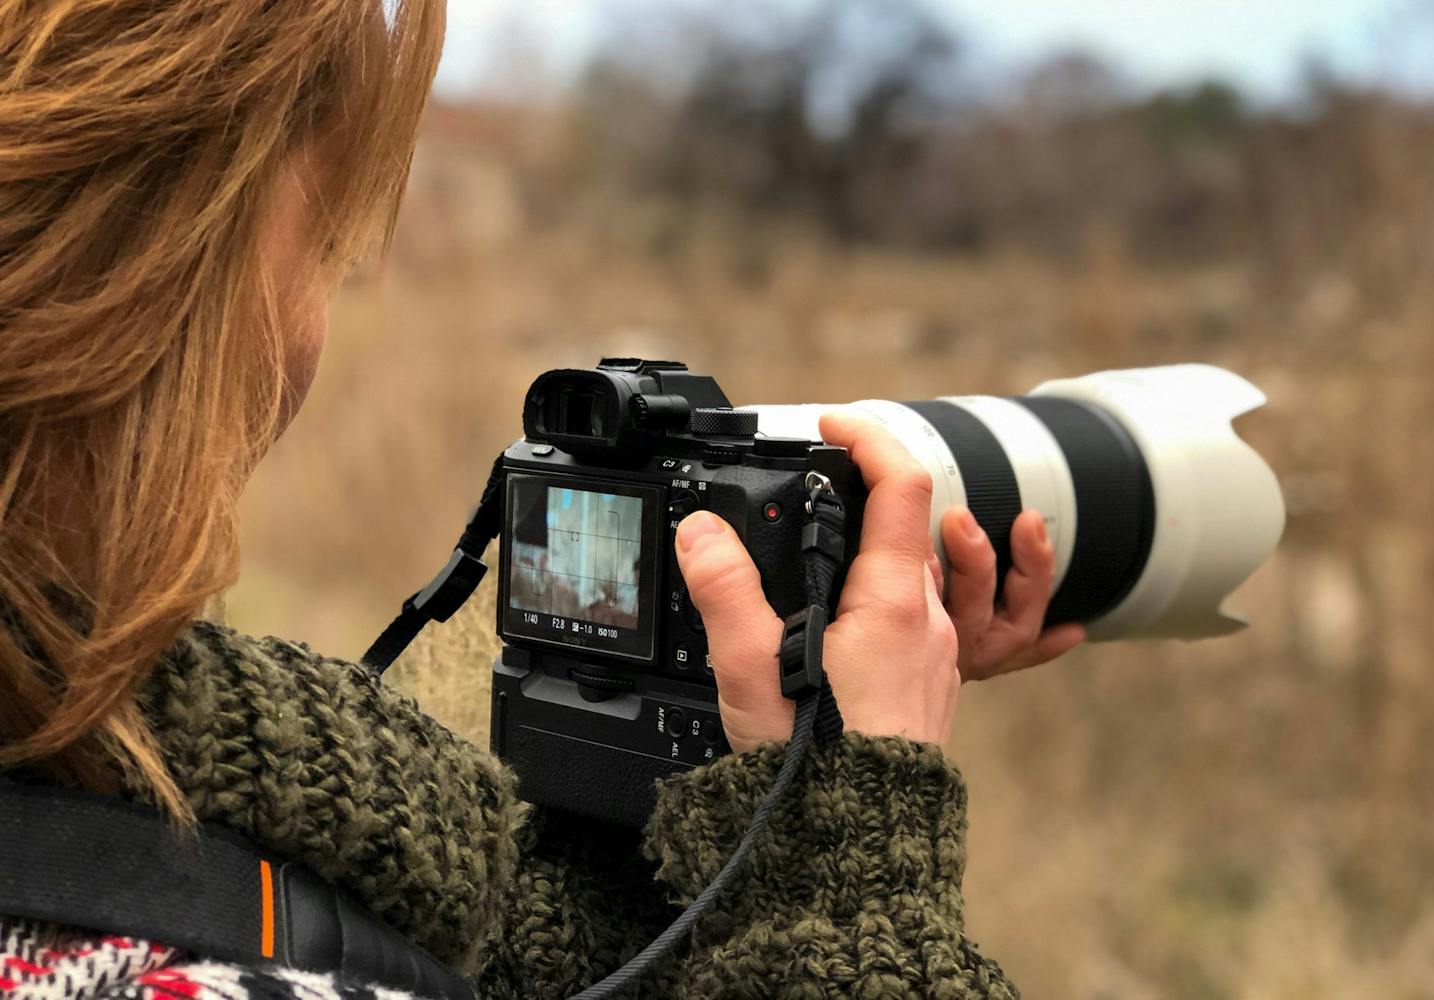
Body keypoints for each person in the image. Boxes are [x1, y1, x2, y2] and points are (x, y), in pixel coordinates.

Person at [0, 3, 1086, 998]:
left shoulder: (119, 750)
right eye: (323, 253)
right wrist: (848, 881)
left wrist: (712, 791)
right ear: (142, 289)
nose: (310, 333)